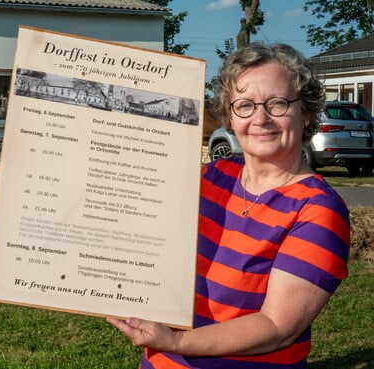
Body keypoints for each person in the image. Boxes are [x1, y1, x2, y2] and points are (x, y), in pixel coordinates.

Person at [108, 42, 350, 368]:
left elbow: (277, 327)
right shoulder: (212, 177)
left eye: (277, 103)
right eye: (245, 105)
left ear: (305, 113)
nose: (260, 118)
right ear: (230, 117)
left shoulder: (318, 210)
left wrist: (176, 341)